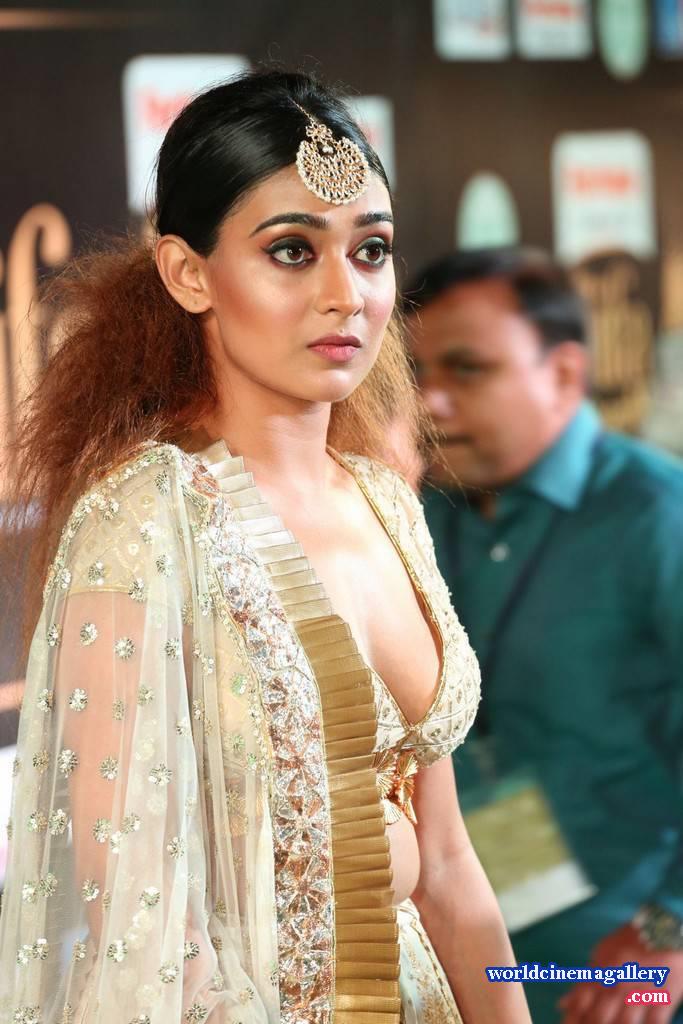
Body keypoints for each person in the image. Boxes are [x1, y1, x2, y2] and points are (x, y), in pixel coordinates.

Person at [0, 73, 531, 1023]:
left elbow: (450, 867)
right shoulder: (144, 523)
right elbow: (146, 931)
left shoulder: (385, 503)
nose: (346, 295)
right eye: (292, 251)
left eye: (370, 250)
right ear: (187, 274)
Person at [406, 245, 683, 1023]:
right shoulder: (417, 514)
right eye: (417, 374)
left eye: (467, 370)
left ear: (563, 374)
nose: (430, 402)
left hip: (621, 973)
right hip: (467, 958)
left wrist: (667, 929)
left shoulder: (656, 518)